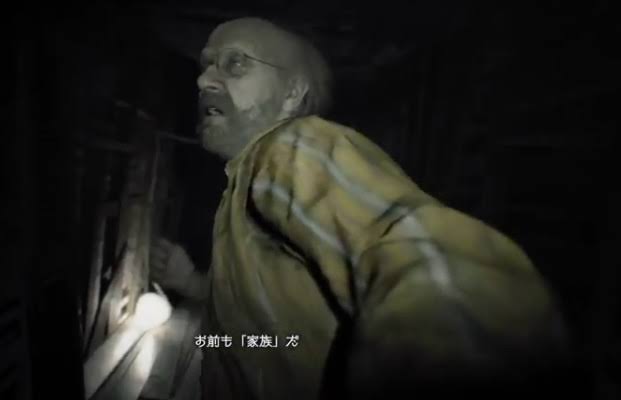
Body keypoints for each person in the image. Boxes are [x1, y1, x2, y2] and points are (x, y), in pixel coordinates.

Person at [151, 17, 568, 400]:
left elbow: (423, 251)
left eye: (235, 63)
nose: (204, 79)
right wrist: (191, 283)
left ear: (292, 94)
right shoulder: (244, 185)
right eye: (206, 65)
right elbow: (264, 329)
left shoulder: (292, 147)